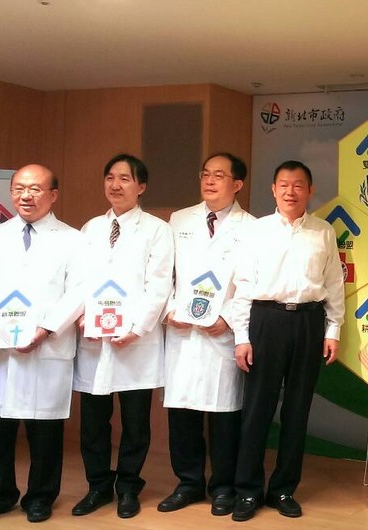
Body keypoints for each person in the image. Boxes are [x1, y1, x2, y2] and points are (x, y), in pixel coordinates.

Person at [0, 164, 87, 525]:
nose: (25, 196)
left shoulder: (72, 240)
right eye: (18, 188)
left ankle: (40, 497)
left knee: (44, 430)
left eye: (34, 189)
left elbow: (80, 290)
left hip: (46, 349)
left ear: (53, 195)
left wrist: (47, 329)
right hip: (0, 350)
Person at [228, 160, 345, 522]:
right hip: (266, 320)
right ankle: (248, 490)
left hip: (308, 322)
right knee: (257, 410)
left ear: (310, 191)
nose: (290, 192)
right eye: (283, 185)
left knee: (297, 411)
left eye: (298, 185)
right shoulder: (257, 231)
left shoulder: (324, 232)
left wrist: (333, 330)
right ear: (273, 190)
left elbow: (334, 284)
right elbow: (242, 286)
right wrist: (242, 337)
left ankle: (283, 489)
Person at [71, 154, 173, 519]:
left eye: (125, 179)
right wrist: (80, 316)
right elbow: (78, 280)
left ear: (141, 186)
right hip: (94, 338)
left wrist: (137, 328)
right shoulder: (90, 229)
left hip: (135, 342)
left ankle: (128, 486)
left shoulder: (157, 230)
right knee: (93, 421)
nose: (115, 185)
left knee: (135, 422)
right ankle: (98, 485)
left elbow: (159, 285)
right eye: (110, 177)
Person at [157, 153, 255, 516]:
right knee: (182, 411)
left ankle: (223, 486)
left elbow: (251, 283)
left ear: (238, 184)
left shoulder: (252, 227)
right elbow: (163, 274)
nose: (209, 181)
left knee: (223, 413)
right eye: (205, 174)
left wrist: (228, 318)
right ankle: (188, 483)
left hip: (222, 332)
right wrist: (169, 310)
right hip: (183, 331)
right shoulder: (179, 219)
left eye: (219, 175)